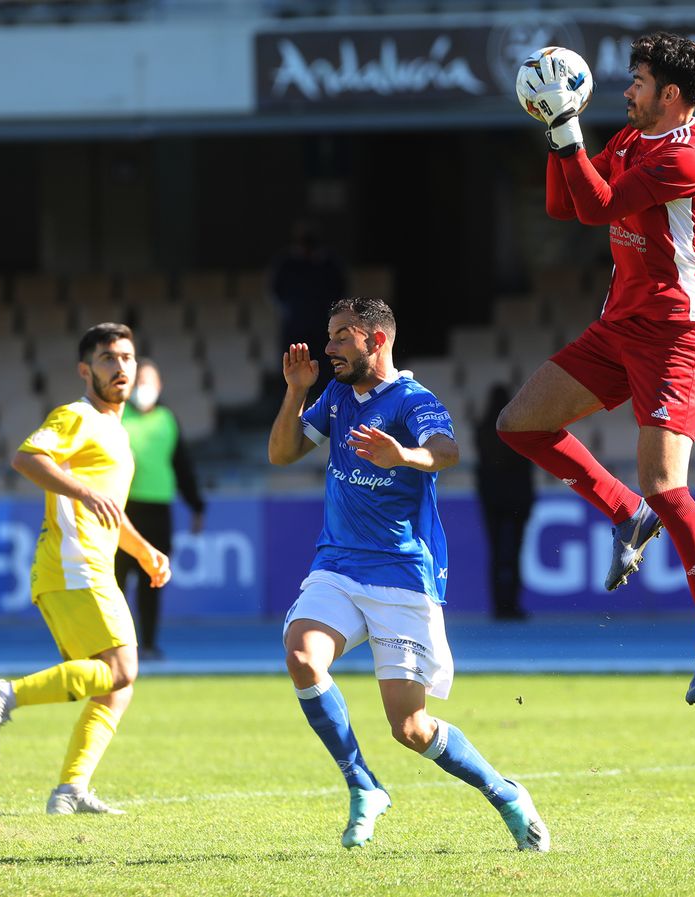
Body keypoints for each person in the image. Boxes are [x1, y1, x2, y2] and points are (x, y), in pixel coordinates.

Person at [499, 33, 695, 704]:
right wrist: (557, 133)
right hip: (619, 328)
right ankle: (623, 511)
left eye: (637, 81)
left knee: (668, 485)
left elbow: (602, 206)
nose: (627, 91)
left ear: (670, 94)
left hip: (674, 340)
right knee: (520, 424)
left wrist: (567, 126)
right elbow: (566, 205)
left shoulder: (693, 158)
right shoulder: (635, 143)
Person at [269, 297, 549, 852]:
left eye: (342, 336)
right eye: (328, 337)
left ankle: (506, 794)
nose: (328, 349)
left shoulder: (414, 399)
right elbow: (282, 454)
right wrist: (296, 392)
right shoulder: (334, 396)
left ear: (376, 339)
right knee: (302, 655)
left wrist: (404, 456)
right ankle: (362, 785)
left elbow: (445, 451)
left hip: (402, 575)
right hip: (338, 564)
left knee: (411, 729)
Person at [0, 323, 172, 815]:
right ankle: (5, 694)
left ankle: (71, 789)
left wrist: (144, 551)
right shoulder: (77, 416)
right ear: (85, 370)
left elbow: (110, 510)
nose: (120, 366)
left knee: (115, 686)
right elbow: (27, 458)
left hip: (86, 566)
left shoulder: (116, 434)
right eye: (107, 358)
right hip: (73, 564)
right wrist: (81, 491)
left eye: (126, 356)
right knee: (122, 668)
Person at [115, 358, 207, 658]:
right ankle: (112, 645)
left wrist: (196, 506)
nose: (143, 388)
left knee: (150, 583)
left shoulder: (168, 420)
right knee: (114, 582)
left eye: (149, 382)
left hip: (157, 513)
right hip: (122, 512)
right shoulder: (116, 416)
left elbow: (183, 467)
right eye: (139, 381)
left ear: (159, 387)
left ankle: (148, 644)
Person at [475, 382, 536, 621]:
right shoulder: (519, 428)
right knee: (514, 553)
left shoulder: (482, 428)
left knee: (496, 552)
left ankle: (497, 606)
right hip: (518, 500)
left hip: (491, 500)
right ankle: (512, 604)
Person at [270, 218, 348, 394]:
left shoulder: (329, 263)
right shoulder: (286, 263)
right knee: (294, 374)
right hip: (295, 329)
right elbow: (275, 292)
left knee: (325, 374)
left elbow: (340, 290)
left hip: (323, 329)